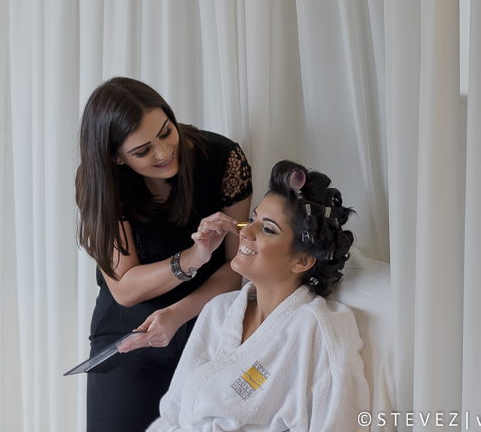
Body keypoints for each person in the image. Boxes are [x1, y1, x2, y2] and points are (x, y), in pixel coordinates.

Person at [76, 77, 253, 432]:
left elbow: (236, 269)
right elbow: (125, 288)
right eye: (142, 151)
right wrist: (191, 258)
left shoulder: (222, 159)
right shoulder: (102, 182)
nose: (163, 153)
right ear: (115, 157)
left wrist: (176, 314)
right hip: (130, 327)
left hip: (207, 316)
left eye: (166, 131)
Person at [145, 159, 370, 432]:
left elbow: (341, 423)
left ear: (301, 260)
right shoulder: (220, 309)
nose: (245, 232)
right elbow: (173, 412)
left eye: (267, 229)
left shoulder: (320, 329)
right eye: (252, 219)